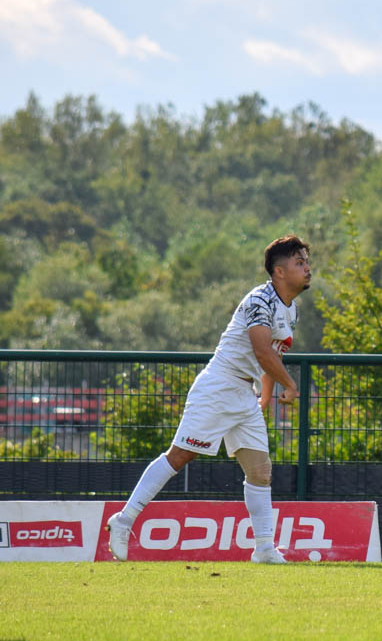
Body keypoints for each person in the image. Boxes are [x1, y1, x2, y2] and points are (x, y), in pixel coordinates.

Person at [107, 236, 312, 562]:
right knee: (179, 456)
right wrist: (290, 385)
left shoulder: (291, 309)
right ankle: (124, 518)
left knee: (260, 471)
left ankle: (264, 549)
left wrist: (266, 397)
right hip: (219, 387)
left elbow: (272, 355)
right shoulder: (260, 300)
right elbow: (262, 351)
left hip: (244, 394)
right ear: (279, 271)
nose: (307, 268)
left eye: (307, 261)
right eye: (299, 262)